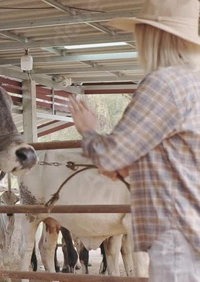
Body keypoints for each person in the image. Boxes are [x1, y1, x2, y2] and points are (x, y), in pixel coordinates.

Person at [68, 0, 200, 281]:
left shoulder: (163, 84)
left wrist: (88, 131)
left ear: (152, 36)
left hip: (175, 233)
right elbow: (179, 156)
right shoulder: (194, 84)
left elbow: (110, 157)